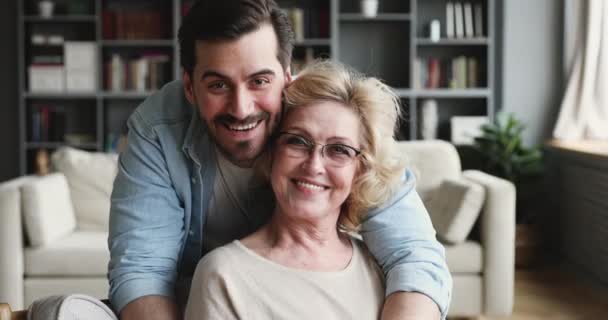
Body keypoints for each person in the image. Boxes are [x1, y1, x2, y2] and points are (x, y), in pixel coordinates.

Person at [107, 1, 452, 319]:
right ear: (189, 87)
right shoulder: (157, 128)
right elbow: (142, 271)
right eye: (217, 85)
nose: (241, 108)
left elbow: (415, 255)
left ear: (287, 77)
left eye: (259, 81)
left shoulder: (325, 116)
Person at [185, 60, 408, 319]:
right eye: (298, 142)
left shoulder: (384, 271)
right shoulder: (224, 275)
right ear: (271, 153)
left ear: (360, 170)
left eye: (339, 150)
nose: (314, 166)